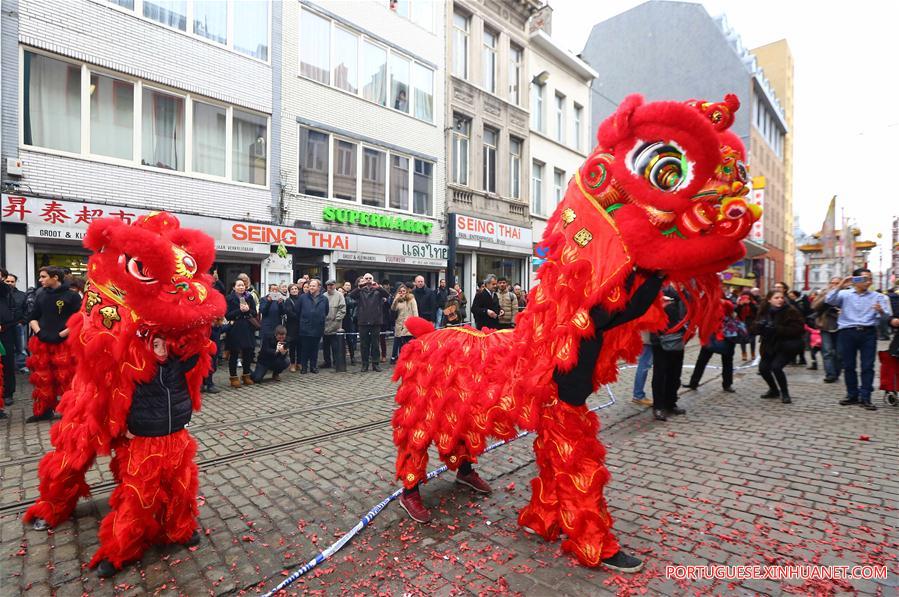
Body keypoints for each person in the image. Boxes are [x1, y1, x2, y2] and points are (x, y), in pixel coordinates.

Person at [826, 268, 893, 410]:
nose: (868, 281)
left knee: (867, 366)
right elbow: (829, 300)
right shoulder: (845, 294)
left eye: (870, 278)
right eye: (864, 278)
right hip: (847, 332)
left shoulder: (878, 296)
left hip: (868, 333)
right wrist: (841, 284)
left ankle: (866, 397)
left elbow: (887, 317)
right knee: (849, 366)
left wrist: (880, 311)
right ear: (855, 280)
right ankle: (852, 395)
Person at [26, 266, 80, 422]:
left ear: (55, 277)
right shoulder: (41, 294)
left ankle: (70, 410)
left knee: (66, 378)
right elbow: (33, 316)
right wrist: (40, 333)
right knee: (43, 378)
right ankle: (44, 410)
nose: (40, 280)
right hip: (43, 342)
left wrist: (61, 334)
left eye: (43, 276)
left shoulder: (73, 296)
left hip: (64, 342)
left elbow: (80, 318)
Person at [752, 290, 804, 404]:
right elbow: (755, 327)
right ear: (769, 300)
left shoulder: (791, 311)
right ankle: (774, 390)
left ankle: (785, 393)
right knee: (763, 369)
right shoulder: (763, 311)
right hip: (769, 345)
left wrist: (777, 328)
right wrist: (759, 327)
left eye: (781, 297)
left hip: (785, 345)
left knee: (776, 367)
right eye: (776, 298)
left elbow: (798, 329)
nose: (780, 299)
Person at [649, 284, 687, 421]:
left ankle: (671, 403)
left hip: (677, 341)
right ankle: (658, 406)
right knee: (660, 375)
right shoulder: (662, 290)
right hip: (660, 342)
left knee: (675, 374)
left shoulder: (683, 296)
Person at [684, 300, 738, 394]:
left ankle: (727, 384)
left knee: (727, 361)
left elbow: (732, 310)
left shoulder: (725, 303)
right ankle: (693, 383)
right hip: (710, 335)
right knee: (701, 360)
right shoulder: (707, 303)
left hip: (724, 336)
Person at [349, 273, 389, 372]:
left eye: (370, 278)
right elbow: (351, 296)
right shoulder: (360, 290)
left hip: (375, 320)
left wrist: (379, 287)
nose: (368, 280)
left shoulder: (378, 290)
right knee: (364, 344)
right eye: (366, 278)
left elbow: (387, 295)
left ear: (373, 279)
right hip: (363, 320)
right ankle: (365, 364)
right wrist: (359, 287)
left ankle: (375, 364)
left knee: (375, 344)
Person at [225, 279, 258, 387]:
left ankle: (246, 375)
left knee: (248, 352)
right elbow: (227, 315)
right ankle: (233, 377)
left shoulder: (249, 297)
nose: (241, 287)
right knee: (234, 353)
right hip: (235, 328)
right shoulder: (229, 298)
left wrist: (248, 310)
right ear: (234, 287)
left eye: (243, 285)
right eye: (238, 285)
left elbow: (254, 312)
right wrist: (240, 310)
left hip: (248, 327)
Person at [812, 278, 842, 382]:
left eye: (837, 283)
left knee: (839, 353)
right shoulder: (824, 293)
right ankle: (830, 374)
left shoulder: (845, 294)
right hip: (826, 325)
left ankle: (837, 372)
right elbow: (814, 306)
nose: (834, 285)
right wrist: (826, 297)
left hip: (841, 326)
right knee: (827, 351)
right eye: (832, 283)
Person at [297, 279, 328, 374]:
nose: (311, 287)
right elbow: (297, 311)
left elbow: (326, 311)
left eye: (313, 286)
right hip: (305, 327)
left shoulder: (324, 299)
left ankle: (313, 367)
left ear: (319, 287)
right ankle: (304, 367)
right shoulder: (302, 297)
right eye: (310, 285)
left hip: (318, 327)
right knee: (305, 348)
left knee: (315, 349)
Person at [0, 268, 19, 418]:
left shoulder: (9, 292)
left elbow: (15, 311)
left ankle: (8, 393)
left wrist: (6, 324)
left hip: (5, 331)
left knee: (7, 363)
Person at [4, 273, 28, 373]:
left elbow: (28, 310)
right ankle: (8, 367)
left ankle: (21, 366)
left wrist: (23, 322)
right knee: (7, 347)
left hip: (18, 325)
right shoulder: (2, 295)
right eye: (7, 281)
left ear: (15, 282)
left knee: (21, 347)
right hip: (5, 326)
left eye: (12, 281)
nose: (10, 283)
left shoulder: (22, 295)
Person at [321, 280, 346, 369]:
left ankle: (337, 362)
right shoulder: (323, 296)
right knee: (326, 346)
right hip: (325, 325)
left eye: (331, 285)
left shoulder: (340, 295)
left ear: (334, 285)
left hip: (336, 325)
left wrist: (337, 319)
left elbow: (342, 309)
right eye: (328, 285)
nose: (330, 287)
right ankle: (327, 362)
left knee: (336, 346)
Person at [390, 284, 418, 364]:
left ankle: (409, 358)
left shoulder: (411, 299)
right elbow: (393, 309)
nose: (402, 293)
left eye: (403, 291)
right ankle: (398, 358)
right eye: (400, 291)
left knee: (408, 342)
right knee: (398, 341)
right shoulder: (398, 300)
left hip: (409, 324)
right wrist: (396, 299)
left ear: (406, 291)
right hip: (399, 324)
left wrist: (415, 323)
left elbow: (415, 312)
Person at [735, 290, 759, 362]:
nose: (745, 298)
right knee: (742, 339)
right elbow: (736, 311)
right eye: (744, 296)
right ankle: (744, 353)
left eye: (747, 296)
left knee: (752, 339)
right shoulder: (739, 303)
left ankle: (753, 353)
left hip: (751, 323)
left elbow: (756, 310)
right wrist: (740, 305)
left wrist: (750, 303)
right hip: (742, 322)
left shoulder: (753, 303)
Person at [631, 332, 653, 407]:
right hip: (649, 338)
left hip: (646, 337)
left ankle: (638, 394)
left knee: (644, 365)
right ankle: (638, 395)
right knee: (644, 365)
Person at [284, 284, 302, 372]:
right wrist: (300, 317)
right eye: (292, 289)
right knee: (292, 346)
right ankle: (292, 364)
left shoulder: (301, 299)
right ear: (289, 291)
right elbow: (289, 312)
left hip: (301, 326)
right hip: (291, 326)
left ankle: (299, 363)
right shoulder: (288, 300)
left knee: (300, 345)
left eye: (296, 289)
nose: (294, 290)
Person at [341, 281, 358, 365]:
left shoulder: (350, 296)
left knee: (349, 339)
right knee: (339, 339)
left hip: (348, 319)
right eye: (346, 285)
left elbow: (353, 304)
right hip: (340, 320)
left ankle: (352, 357)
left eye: (349, 285)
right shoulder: (340, 295)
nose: (347, 286)